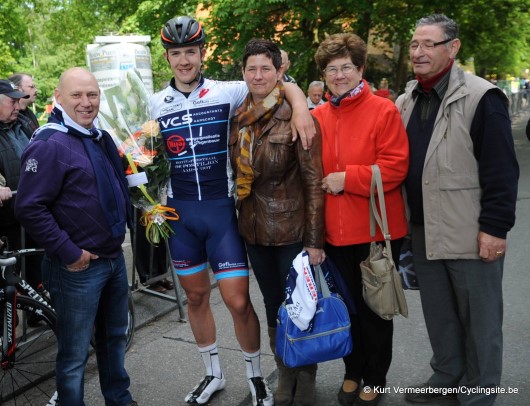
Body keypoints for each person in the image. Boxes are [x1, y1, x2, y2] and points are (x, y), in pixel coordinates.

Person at [150, 16, 315, 405]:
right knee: (195, 298)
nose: (184, 60)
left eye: (191, 52)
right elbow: (146, 155)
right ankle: (212, 374)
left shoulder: (229, 91)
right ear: (167, 57)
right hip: (179, 215)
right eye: (177, 53)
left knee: (239, 301)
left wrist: (301, 106)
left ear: (202, 53)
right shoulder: (155, 102)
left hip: (222, 213)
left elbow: (280, 83)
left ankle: (256, 377)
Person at [395, 14, 519, 406]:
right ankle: (446, 377)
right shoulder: (407, 100)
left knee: (480, 321)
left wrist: (494, 228)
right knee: (440, 316)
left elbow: (501, 170)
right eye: (414, 44)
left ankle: (479, 394)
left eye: (428, 44)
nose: (418, 52)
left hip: (469, 232)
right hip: (423, 229)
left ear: (453, 48)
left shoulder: (483, 98)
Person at [14, 67, 137, 406]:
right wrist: (70, 253)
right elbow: (29, 207)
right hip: (77, 268)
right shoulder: (49, 143)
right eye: (77, 95)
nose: (86, 102)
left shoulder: (100, 136)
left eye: (92, 94)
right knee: (74, 354)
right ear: (58, 97)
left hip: (112, 258)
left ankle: (119, 399)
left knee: (114, 339)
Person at [311, 33, 409, 406]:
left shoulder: (384, 110)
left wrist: (347, 179)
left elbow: (395, 167)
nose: (339, 75)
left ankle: (375, 378)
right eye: (332, 69)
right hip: (333, 236)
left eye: (347, 67)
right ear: (324, 75)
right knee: (346, 312)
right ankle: (352, 371)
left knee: (375, 313)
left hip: (373, 233)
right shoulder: (317, 117)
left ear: (361, 69)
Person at [229, 38, 325, 406]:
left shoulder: (297, 116)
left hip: (291, 232)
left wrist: (314, 241)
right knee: (273, 304)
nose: (258, 75)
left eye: (265, 68)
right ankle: (285, 371)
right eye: (251, 68)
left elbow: (313, 181)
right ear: (242, 72)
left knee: (301, 305)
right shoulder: (238, 117)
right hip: (253, 231)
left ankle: (307, 374)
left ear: (279, 71)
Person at [0, 79, 44, 297]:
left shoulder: (24, 125)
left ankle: (36, 307)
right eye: (12, 102)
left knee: (36, 272)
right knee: (10, 278)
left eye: (19, 102)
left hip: (33, 214)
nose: (18, 107)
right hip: (7, 220)